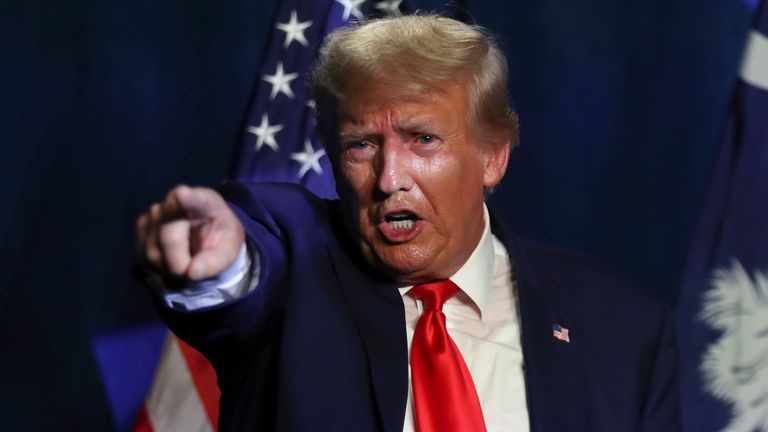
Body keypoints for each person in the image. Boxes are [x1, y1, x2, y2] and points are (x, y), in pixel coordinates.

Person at [136, 15, 680, 432]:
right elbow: (247, 273)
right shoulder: (296, 269)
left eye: (422, 139)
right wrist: (220, 270)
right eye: (362, 145)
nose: (389, 177)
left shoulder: (622, 328)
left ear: (493, 157)